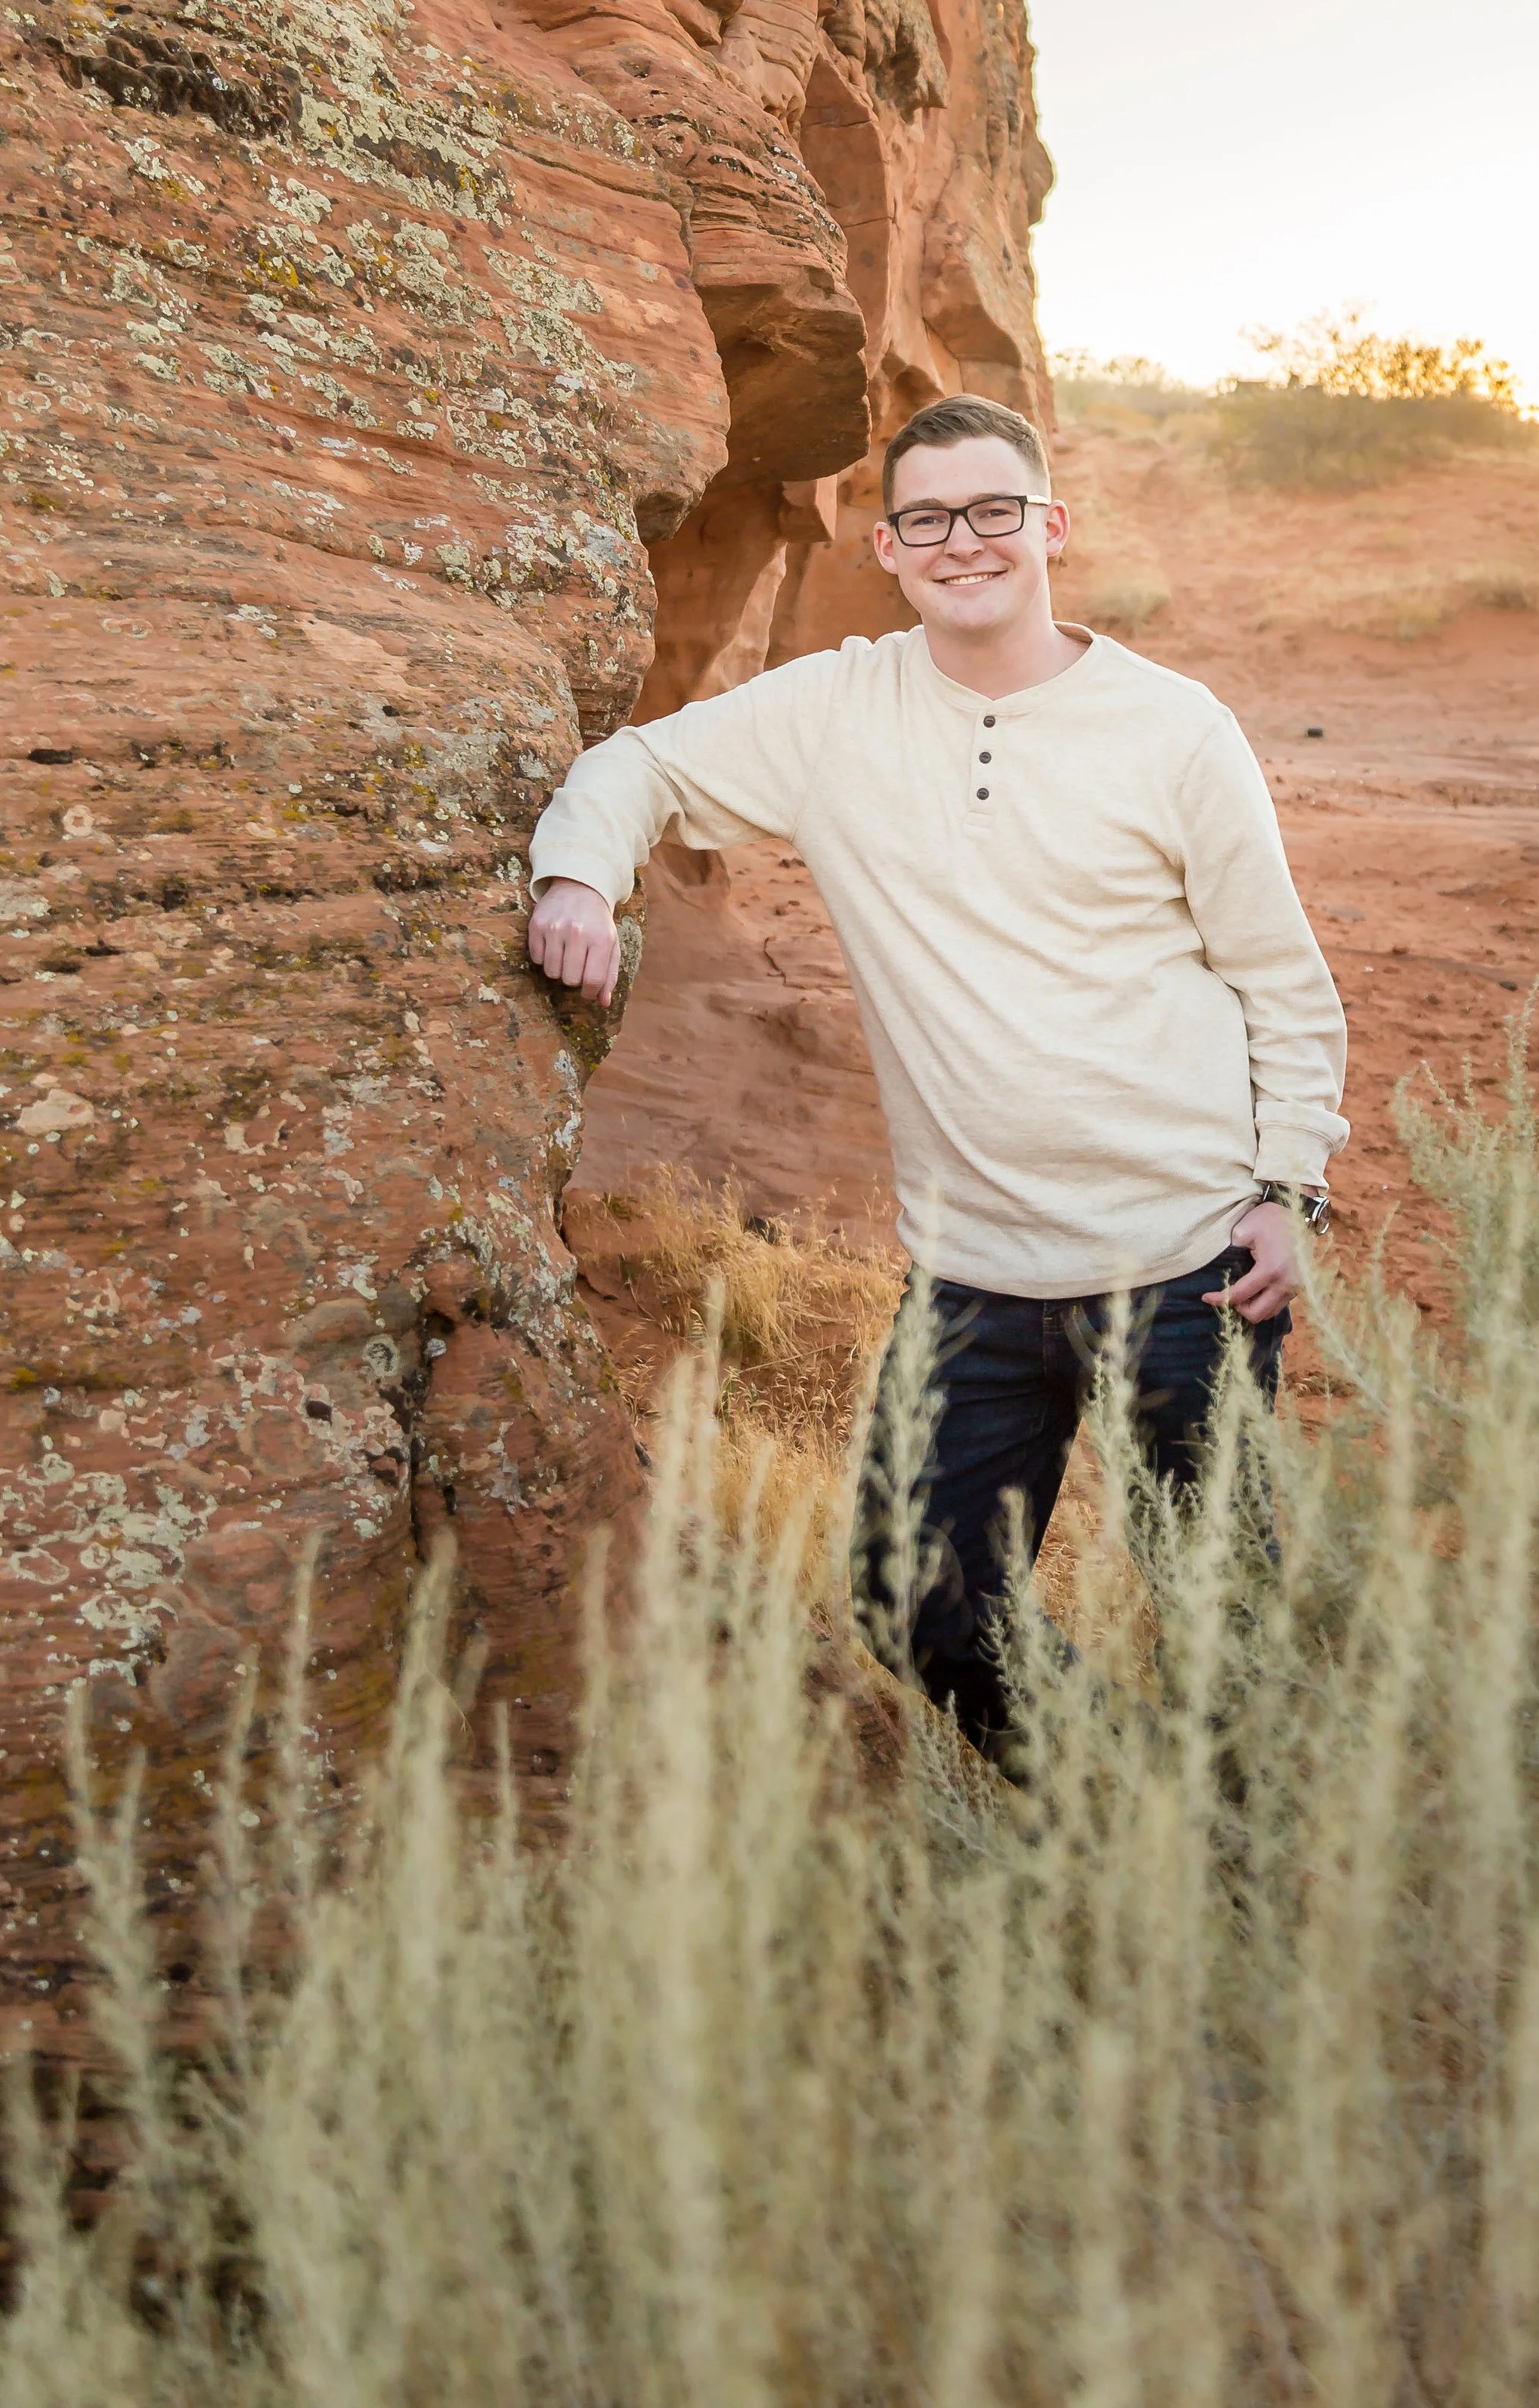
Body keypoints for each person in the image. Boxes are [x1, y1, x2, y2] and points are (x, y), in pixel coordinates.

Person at [525, 393, 1348, 1761]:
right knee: (915, 1599)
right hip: (973, 1275)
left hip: (1187, 1263)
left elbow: (1280, 976)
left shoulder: (1175, 727)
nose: (963, 541)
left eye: (992, 511)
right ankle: (1119, 1804)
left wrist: (1287, 1189)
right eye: (927, 519)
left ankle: (1253, 1886)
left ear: (1050, 529)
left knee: (1223, 1616)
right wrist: (577, 874)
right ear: (890, 548)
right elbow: (641, 766)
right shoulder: (838, 710)